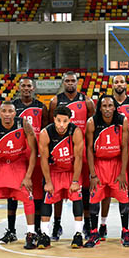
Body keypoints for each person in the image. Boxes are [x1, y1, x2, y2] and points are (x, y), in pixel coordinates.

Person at [0, 101, 38, 250]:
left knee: (27, 195)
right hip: (1, 162)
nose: (7, 114)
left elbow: (34, 150)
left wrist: (28, 176)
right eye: (4, 111)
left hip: (18, 161)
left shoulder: (23, 124)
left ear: (15, 113)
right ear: (0, 113)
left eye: (10, 111)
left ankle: (30, 234)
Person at [0, 77, 49, 244]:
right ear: (19, 88)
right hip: (17, 154)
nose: (26, 88)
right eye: (23, 86)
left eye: (29, 86)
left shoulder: (41, 107)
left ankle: (34, 231)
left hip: (35, 154)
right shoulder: (12, 107)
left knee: (36, 193)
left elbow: (46, 130)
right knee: (13, 193)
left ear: (33, 88)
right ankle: (11, 230)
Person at [48, 71, 95, 240]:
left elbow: (93, 125)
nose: (70, 83)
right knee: (57, 191)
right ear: (63, 82)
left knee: (85, 189)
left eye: (72, 81)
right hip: (61, 150)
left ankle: (87, 224)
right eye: (67, 81)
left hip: (80, 150)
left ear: (77, 82)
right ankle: (57, 224)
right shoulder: (55, 101)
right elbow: (50, 125)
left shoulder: (87, 101)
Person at [98, 75, 129, 240]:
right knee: (106, 192)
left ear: (126, 84)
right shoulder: (107, 105)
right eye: (116, 82)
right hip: (110, 152)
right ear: (112, 84)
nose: (119, 84)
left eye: (122, 82)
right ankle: (103, 225)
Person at [84, 95, 129, 247]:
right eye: (104, 106)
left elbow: (125, 148)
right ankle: (93, 233)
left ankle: (125, 232)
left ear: (115, 107)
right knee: (94, 200)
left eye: (110, 105)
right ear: (99, 108)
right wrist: (92, 174)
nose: (107, 109)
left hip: (116, 164)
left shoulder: (122, 120)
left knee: (123, 198)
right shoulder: (92, 122)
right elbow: (89, 150)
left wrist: (123, 172)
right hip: (99, 164)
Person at [37, 105, 84, 249]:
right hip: (55, 170)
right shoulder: (46, 133)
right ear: (54, 119)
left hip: (71, 170)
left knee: (77, 198)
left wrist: (75, 181)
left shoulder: (75, 131)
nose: (61, 125)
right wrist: (48, 181)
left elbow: (79, 158)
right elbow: (43, 159)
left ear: (70, 120)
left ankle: (78, 234)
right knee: (48, 198)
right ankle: (44, 235)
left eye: (65, 121)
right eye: (59, 121)